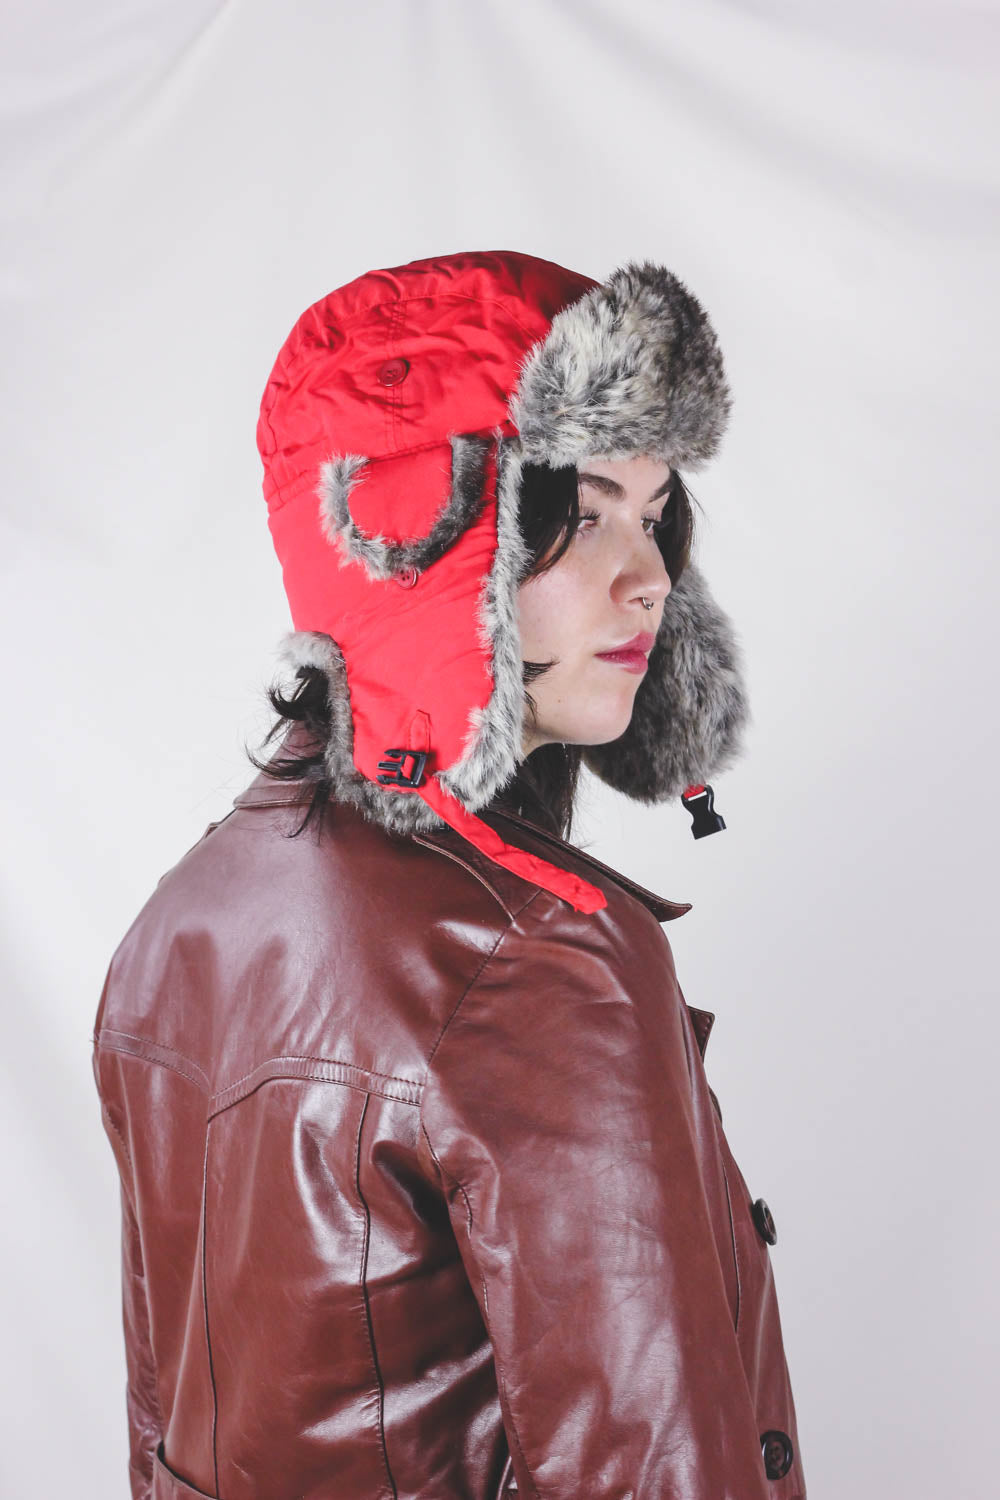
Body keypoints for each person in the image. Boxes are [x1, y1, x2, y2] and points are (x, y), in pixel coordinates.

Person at [92, 249, 807, 1499]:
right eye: (583, 515)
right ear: (421, 548)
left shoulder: (178, 919)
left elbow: (168, 1439)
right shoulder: (545, 962)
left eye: (653, 515)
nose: (647, 577)